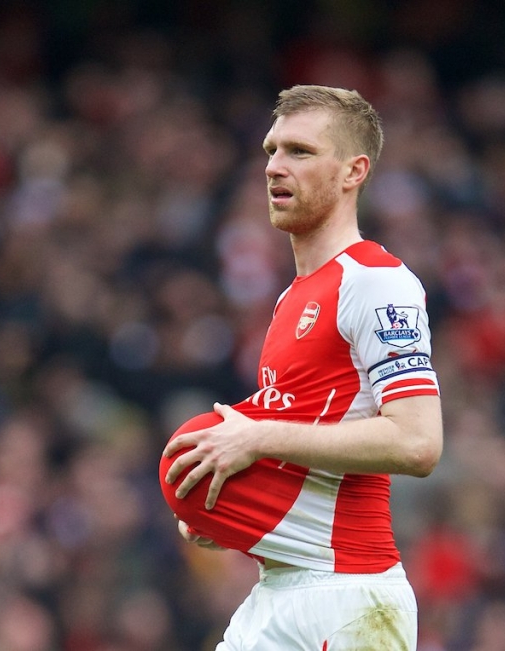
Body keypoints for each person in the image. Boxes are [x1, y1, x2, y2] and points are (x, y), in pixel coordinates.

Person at [159, 85, 443, 650]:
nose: (274, 167)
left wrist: (257, 437)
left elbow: (417, 442)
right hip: (280, 588)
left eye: (300, 152)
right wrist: (234, 491)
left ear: (353, 171)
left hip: (348, 595)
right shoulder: (293, 297)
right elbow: (309, 429)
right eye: (271, 150)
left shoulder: (376, 281)